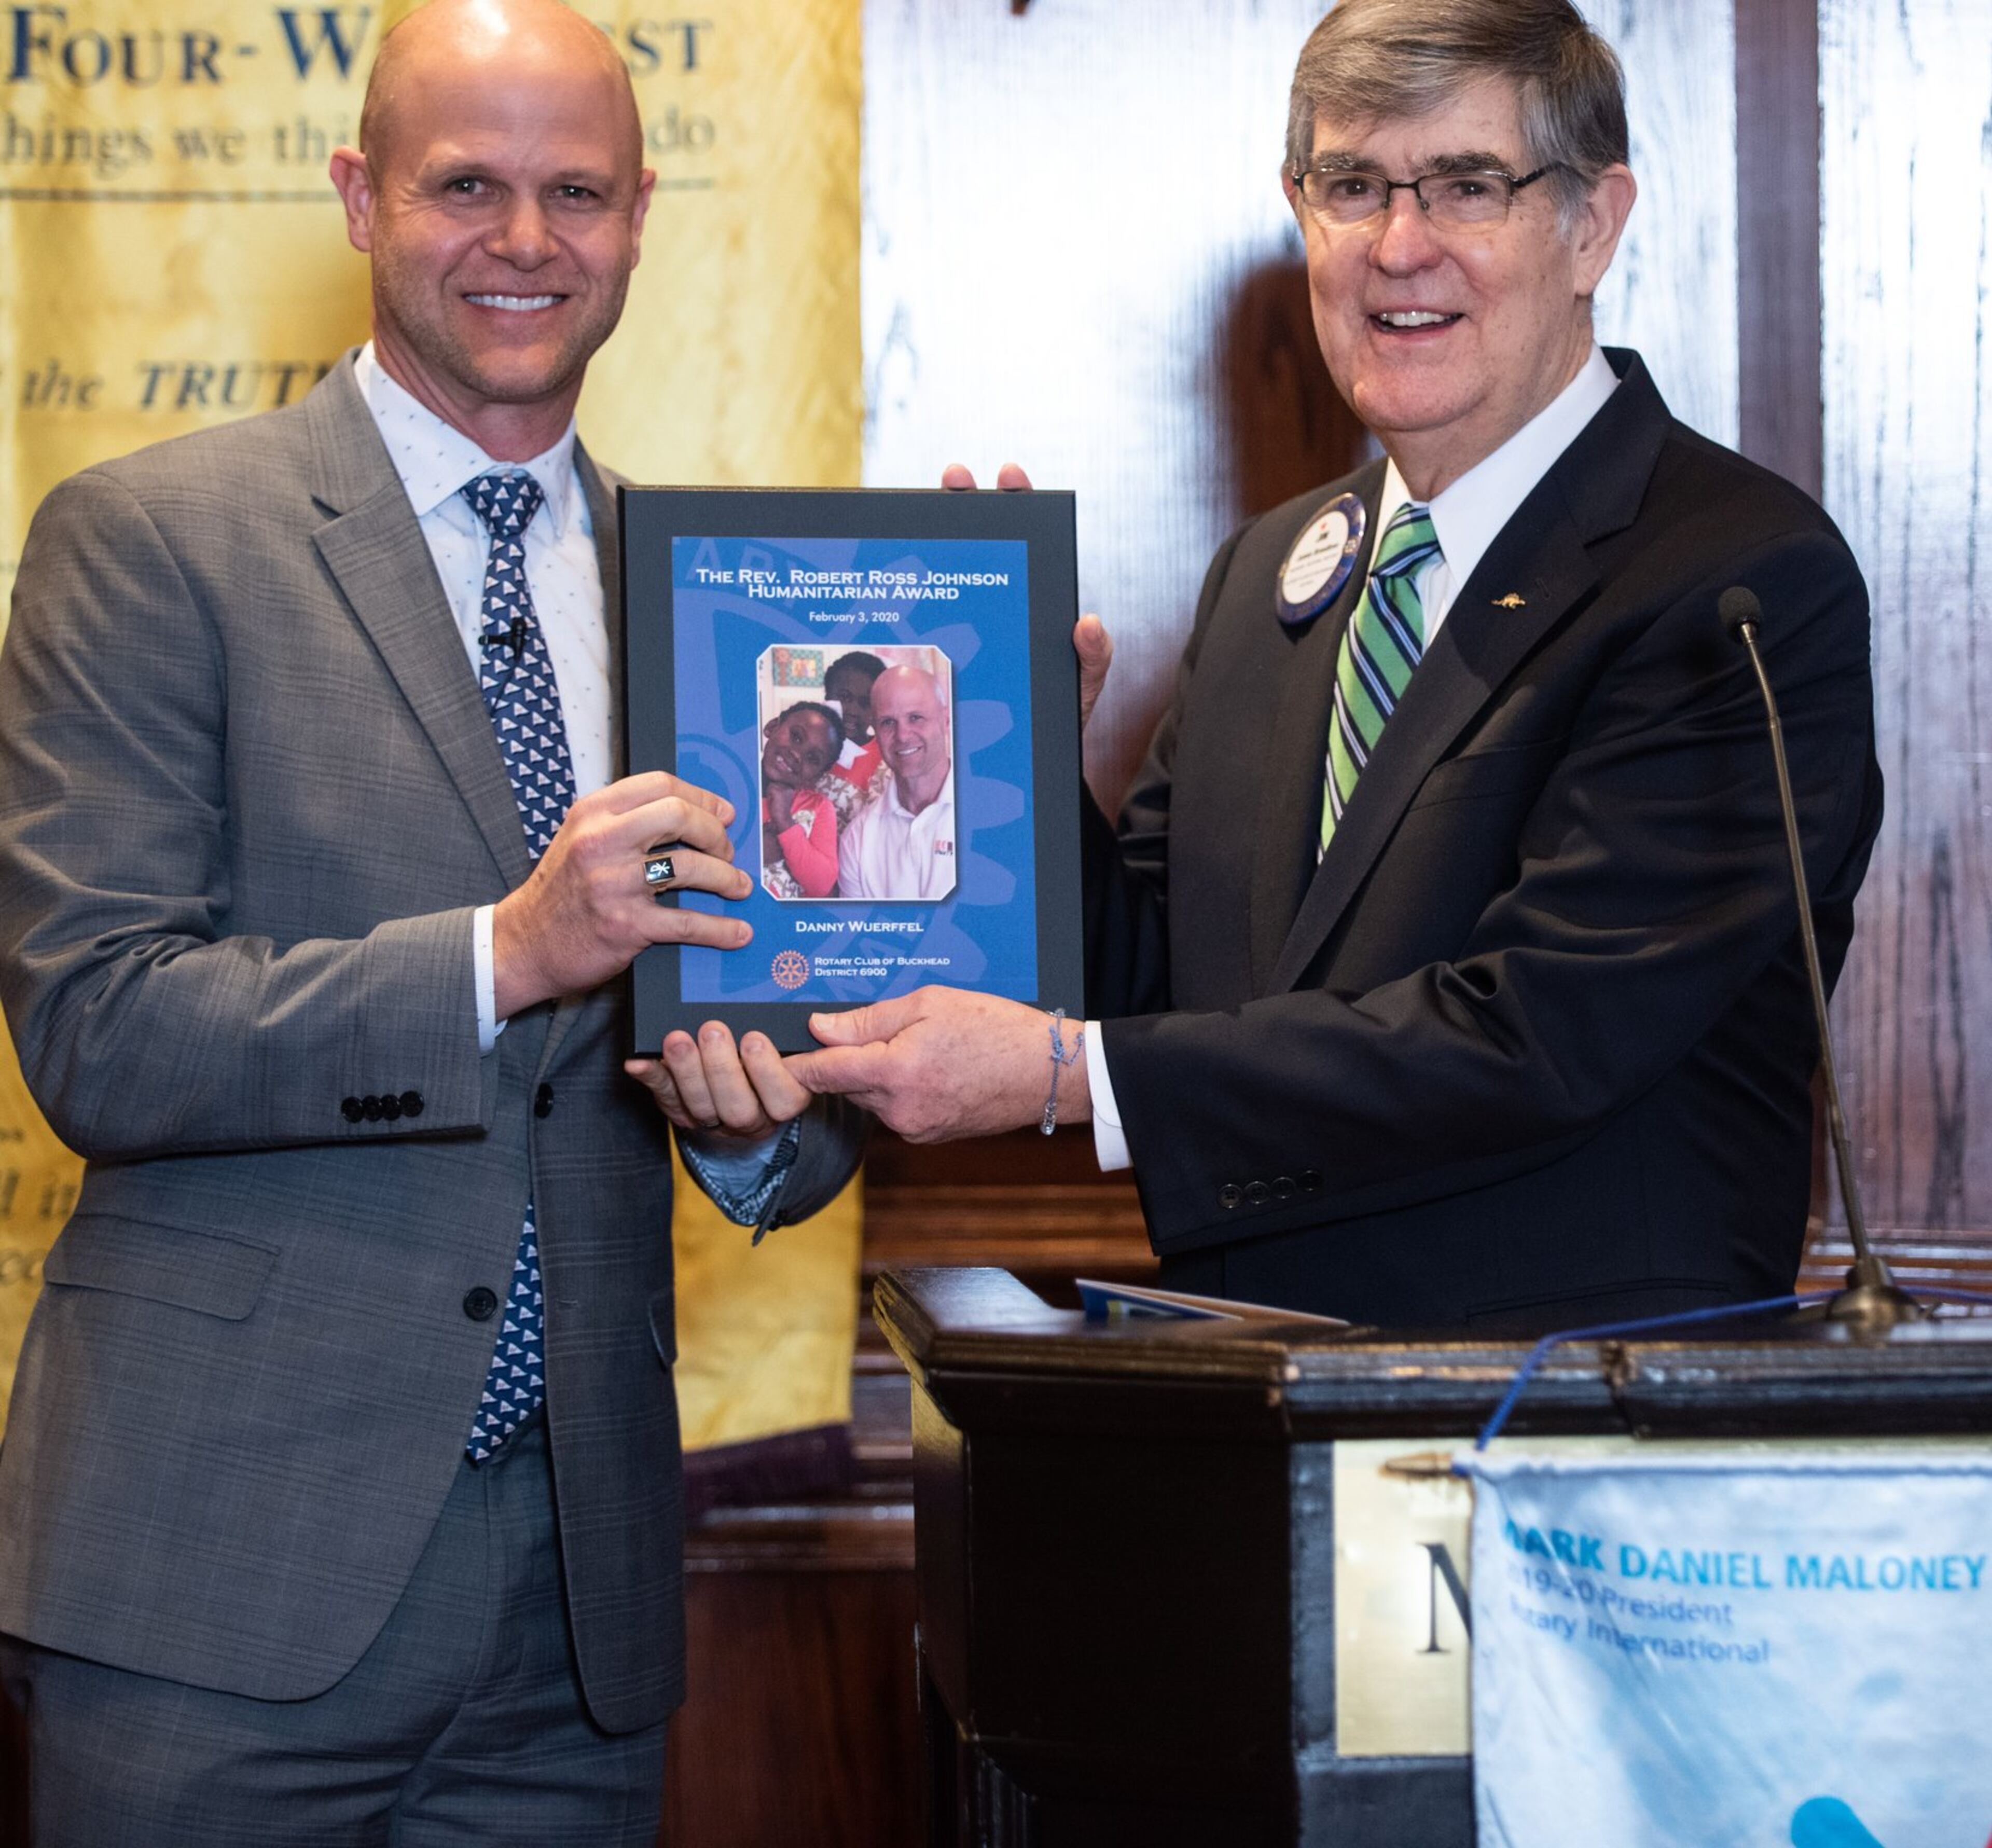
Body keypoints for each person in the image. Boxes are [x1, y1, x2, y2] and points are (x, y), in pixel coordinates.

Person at [0, 1, 851, 1840]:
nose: (527, 241)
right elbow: (98, 1025)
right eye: (467, 184)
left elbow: (783, 1066)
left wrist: (766, 1122)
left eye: (578, 192)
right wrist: (506, 954)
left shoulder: (721, 600)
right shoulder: (150, 541)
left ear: (640, 219)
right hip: (218, 1576)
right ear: (360, 200)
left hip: (581, 1608)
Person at [793, 0, 1883, 1330]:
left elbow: (1538, 1028)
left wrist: (1062, 1074)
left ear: (1591, 223)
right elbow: (1162, 982)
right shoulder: (1270, 572)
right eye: (1351, 185)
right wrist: (1017, 759)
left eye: (1467, 187)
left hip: (1563, 1433)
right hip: (1251, 1397)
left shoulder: (1730, 574)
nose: (1398, 247)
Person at [837, 662, 960, 901]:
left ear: (945, 720)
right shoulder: (857, 839)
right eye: (888, 723)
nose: (903, 736)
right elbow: (858, 936)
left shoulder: (987, 813)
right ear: (875, 730)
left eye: (916, 718)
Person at [761, 699, 846, 898]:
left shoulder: (818, 808)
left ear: (818, 776)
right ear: (773, 727)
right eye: (796, 737)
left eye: (812, 759)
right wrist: (755, 853)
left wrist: (785, 823)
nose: (797, 755)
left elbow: (822, 884)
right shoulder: (736, 784)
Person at [824, 648, 887, 793]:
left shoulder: (886, 757)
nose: (853, 711)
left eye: (866, 702)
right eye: (845, 697)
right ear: (828, 697)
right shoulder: (807, 747)